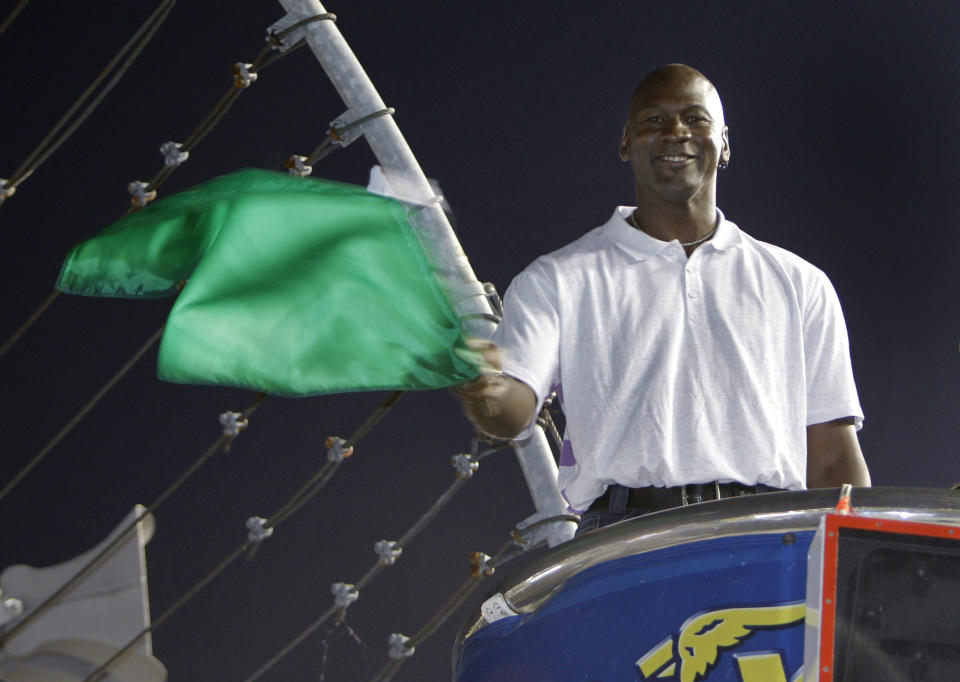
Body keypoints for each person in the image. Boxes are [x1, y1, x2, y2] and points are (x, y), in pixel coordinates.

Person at [454, 64, 870, 533]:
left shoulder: (800, 283)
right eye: (655, 120)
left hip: (770, 537)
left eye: (695, 119)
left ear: (725, 142)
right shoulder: (557, 278)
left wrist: (860, 564)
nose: (676, 133)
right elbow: (514, 410)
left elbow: (834, 459)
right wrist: (485, 390)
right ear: (626, 142)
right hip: (624, 537)